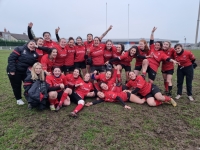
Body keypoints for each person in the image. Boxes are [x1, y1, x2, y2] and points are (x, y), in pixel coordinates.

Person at [7, 40, 39, 105]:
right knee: (16, 85)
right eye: (30, 44)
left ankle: (29, 96)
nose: (32, 46)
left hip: (25, 72)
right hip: (16, 70)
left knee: (28, 84)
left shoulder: (35, 54)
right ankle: (18, 99)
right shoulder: (19, 49)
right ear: (27, 44)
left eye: (34, 45)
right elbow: (11, 59)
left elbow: (34, 64)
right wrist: (12, 70)